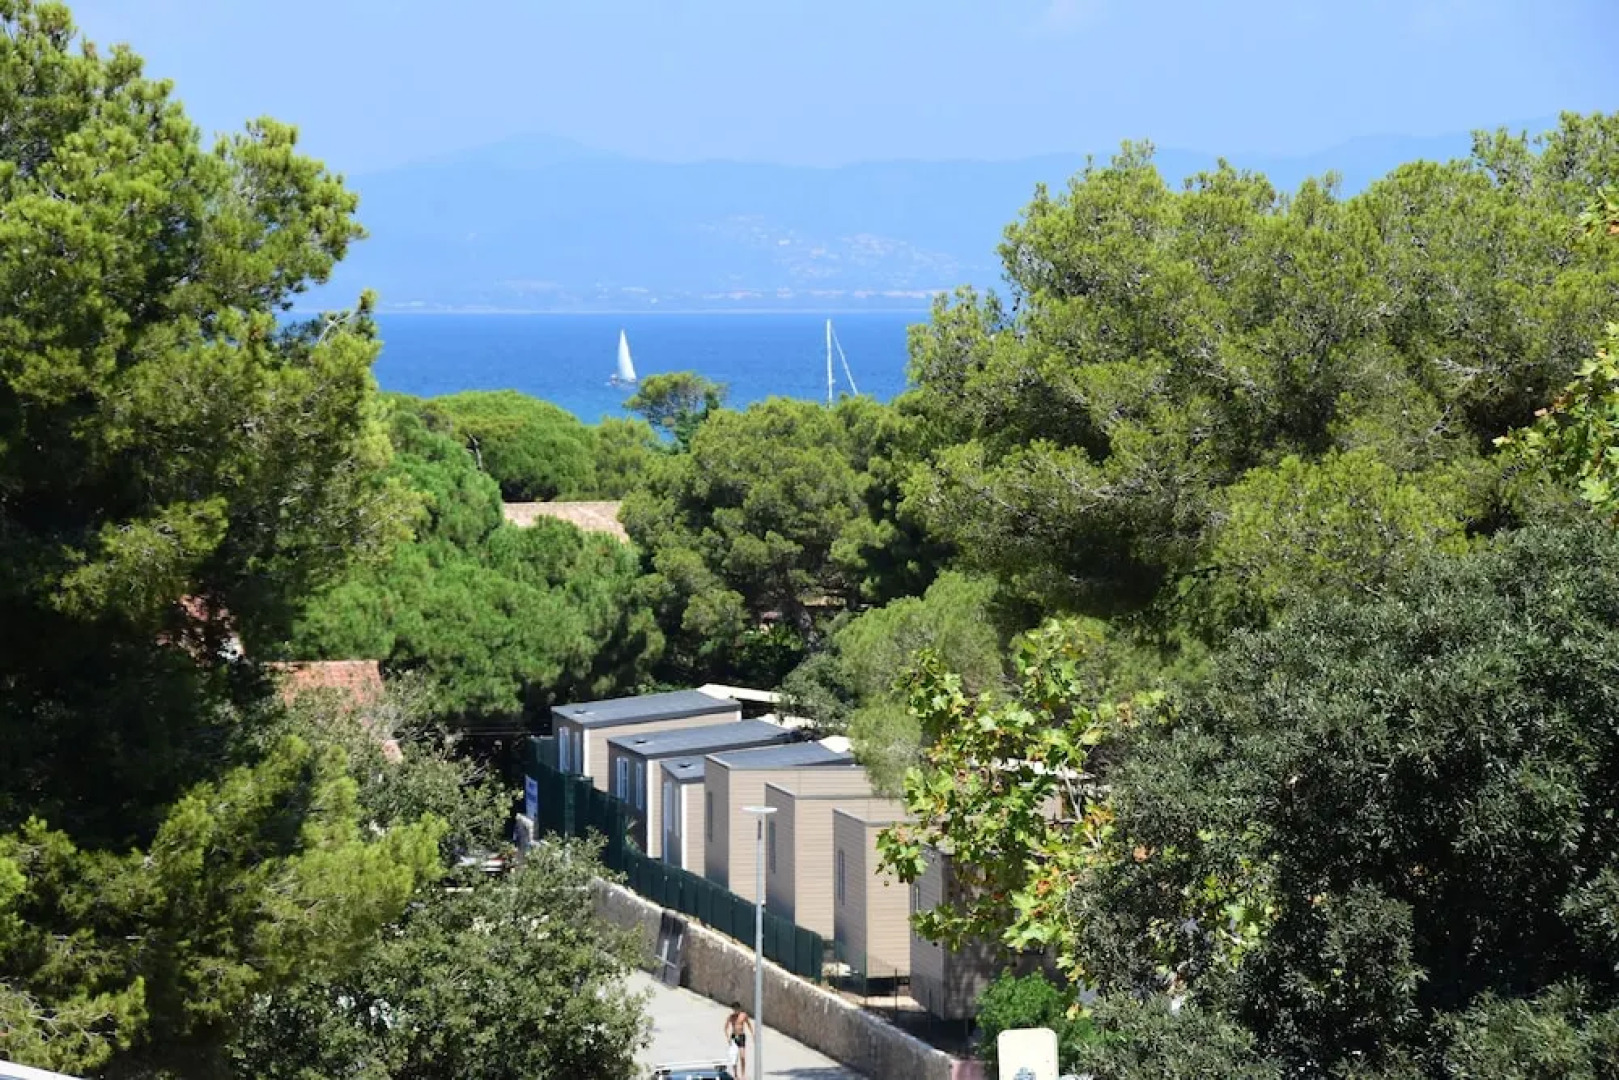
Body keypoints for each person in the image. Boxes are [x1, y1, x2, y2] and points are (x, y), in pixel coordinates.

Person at [723, 1001, 752, 1080]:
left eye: (736, 1009)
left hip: (741, 1036)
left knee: (742, 1056)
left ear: (739, 1009)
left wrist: (752, 1034)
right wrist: (728, 1038)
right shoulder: (731, 1017)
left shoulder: (743, 1015)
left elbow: (749, 1024)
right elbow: (725, 1028)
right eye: (734, 1009)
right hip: (734, 1036)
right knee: (734, 1056)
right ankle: (735, 1074)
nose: (735, 1011)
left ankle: (743, 1074)